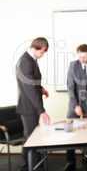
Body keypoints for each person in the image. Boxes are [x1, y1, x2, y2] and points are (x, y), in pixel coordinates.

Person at [16, 37, 51, 171]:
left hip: (31, 106)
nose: (43, 55)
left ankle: (35, 164)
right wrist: (41, 111)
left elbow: (32, 82)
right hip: (28, 107)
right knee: (31, 138)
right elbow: (29, 89)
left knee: (33, 137)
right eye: (43, 51)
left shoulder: (31, 59)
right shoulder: (26, 61)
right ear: (36, 48)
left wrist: (41, 89)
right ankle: (27, 167)